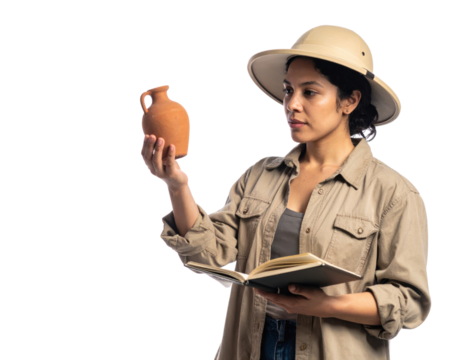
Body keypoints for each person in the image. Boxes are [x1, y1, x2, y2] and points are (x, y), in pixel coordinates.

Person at [141, 23, 431, 360]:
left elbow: (409, 303)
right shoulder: (261, 174)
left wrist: (329, 305)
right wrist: (176, 185)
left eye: (309, 92)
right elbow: (209, 254)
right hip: (250, 345)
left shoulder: (393, 193)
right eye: (288, 90)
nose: (291, 104)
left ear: (349, 101)